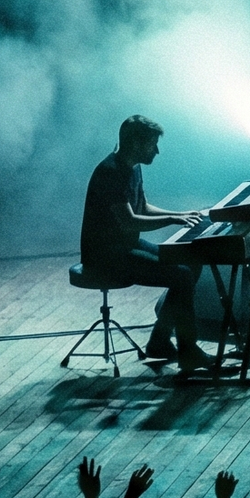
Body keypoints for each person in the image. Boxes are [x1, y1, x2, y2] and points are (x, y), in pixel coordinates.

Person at [80, 114, 208, 368]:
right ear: (135, 144)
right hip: (106, 257)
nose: (157, 151)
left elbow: (142, 206)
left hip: (125, 247)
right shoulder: (111, 173)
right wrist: (172, 219)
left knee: (190, 262)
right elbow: (130, 221)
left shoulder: (132, 167)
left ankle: (160, 342)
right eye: (152, 144)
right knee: (181, 276)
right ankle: (188, 351)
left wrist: (180, 214)